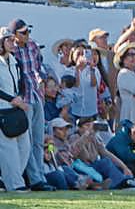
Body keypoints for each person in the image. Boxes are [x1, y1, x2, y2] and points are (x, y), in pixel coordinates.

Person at [8, 19, 54, 190]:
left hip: (36, 96)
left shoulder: (33, 46)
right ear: (14, 35)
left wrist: (40, 80)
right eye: (23, 32)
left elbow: (36, 68)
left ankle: (40, 177)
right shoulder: (11, 50)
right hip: (23, 99)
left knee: (38, 140)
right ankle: (35, 179)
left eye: (28, 31)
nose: (27, 35)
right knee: (27, 141)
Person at [67, 116, 135, 191]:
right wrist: (86, 135)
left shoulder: (94, 138)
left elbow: (106, 153)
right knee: (105, 163)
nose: (90, 128)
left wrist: (124, 167)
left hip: (93, 167)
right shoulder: (74, 137)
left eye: (91, 125)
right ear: (79, 127)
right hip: (81, 168)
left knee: (109, 162)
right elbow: (72, 152)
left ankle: (126, 181)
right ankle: (122, 183)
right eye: (87, 126)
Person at [0, 27, 34, 192]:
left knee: (24, 147)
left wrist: (20, 97)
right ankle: (15, 185)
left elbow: (21, 84)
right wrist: (11, 99)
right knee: (9, 150)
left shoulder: (15, 62)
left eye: (13, 40)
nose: (12, 43)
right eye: (8, 40)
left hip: (16, 108)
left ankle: (8, 179)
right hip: (3, 109)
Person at [39, 117, 87, 190]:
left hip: (61, 169)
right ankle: (83, 183)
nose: (65, 132)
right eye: (61, 129)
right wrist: (50, 144)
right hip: (47, 172)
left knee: (66, 169)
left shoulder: (64, 142)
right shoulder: (48, 140)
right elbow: (49, 155)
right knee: (61, 172)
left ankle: (85, 183)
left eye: (66, 129)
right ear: (53, 131)